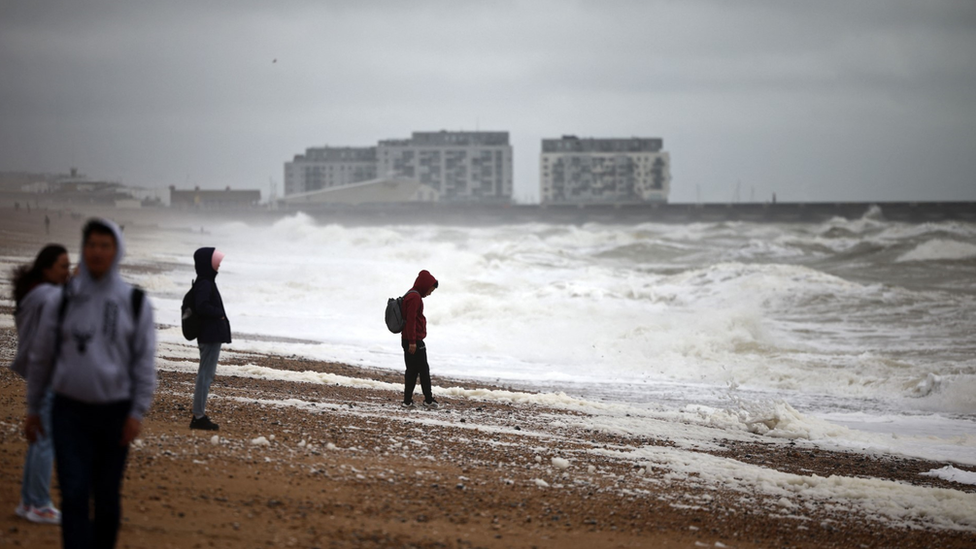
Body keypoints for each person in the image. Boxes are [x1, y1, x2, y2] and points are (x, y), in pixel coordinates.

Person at [24, 218, 156, 549]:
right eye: (91, 245)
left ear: (117, 251)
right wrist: (33, 407)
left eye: (104, 245)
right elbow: (42, 356)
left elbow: (143, 362)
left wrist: (137, 412)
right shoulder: (63, 299)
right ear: (83, 249)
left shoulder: (135, 302)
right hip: (69, 411)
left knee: (107, 496)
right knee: (73, 491)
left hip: (115, 411)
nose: (97, 252)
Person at [9, 244, 71, 525]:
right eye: (63, 266)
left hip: (40, 373)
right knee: (46, 440)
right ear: (47, 269)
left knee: (39, 440)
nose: (67, 272)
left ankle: (27, 501)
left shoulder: (33, 293)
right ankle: (40, 504)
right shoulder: (49, 295)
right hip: (49, 374)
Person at [189, 247, 230, 431]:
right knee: (205, 376)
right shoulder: (205, 282)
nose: (219, 264)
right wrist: (219, 313)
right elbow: (202, 306)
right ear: (208, 263)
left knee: (206, 375)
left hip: (210, 334)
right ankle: (198, 416)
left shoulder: (206, 281)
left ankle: (199, 415)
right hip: (209, 334)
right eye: (216, 261)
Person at [401, 270, 439, 409]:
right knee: (423, 370)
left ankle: (407, 401)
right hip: (414, 341)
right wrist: (412, 341)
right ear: (425, 285)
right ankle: (428, 400)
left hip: (409, 339)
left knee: (412, 370)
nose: (429, 293)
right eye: (430, 290)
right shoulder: (414, 298)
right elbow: (410, 321)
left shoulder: (411, 295)